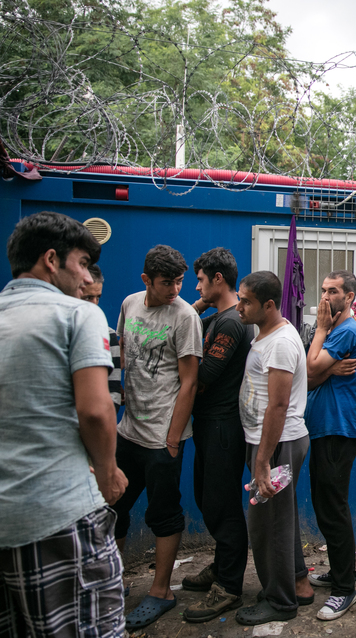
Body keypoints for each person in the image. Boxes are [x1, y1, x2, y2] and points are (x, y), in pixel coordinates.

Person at [0, 212, 127, 637]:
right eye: (83, 264)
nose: (87, 279)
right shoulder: (77, 315)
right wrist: (107, 472)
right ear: (51, 260)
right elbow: (94, 409)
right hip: (58, 517)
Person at [113, 244, 203, 630]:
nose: (176, 289)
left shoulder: (185, 317)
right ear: (146, 280)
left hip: (163, 435)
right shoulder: (130, 304)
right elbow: (121, 358)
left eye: (181, 281)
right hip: (127, 430)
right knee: (111, 507)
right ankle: (111, 583)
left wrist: (171, 439)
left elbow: (189, 382)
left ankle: (161, 590)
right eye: (168, 282)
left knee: (162, 514)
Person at [235, 271, 313, 624]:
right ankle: (297, 583)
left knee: (268, 526)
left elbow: (278, 405)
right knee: (282, 518)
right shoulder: (267, 336)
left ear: (269, 305)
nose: (239, 306)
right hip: (271, 442)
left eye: (246, 301)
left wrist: (262, 461)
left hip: (278, 443)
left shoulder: (280, 342)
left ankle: (280, 602)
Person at [181, 248, 254, 623]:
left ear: (218, 279)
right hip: (211, 425)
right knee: (207, 500)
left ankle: (228, 587)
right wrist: (193, 308)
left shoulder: (230, 323)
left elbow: (204, 376)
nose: (197, 287)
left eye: (201, 280)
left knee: (221, 507)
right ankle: (222, 565)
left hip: (224, 426)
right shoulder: (218, 317)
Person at [304, 270, 356, 620]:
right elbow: (311, 372)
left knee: (333, 507)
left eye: (334, 291)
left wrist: (321, 331)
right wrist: (327, 370)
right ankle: (342, 572)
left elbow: (310, 372)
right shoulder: (335, 330)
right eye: (324, 289)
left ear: (350, 295)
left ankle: (345, 589)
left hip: (337, 429)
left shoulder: (344, 331)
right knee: (324, 503)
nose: (325, 296)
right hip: (323, 427)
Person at [82, 263, 124, 408]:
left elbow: (113, 393)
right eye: (87, 298)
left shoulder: (108, 334)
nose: (94, 304)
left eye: (97, 297)